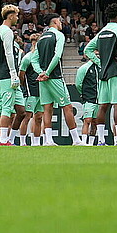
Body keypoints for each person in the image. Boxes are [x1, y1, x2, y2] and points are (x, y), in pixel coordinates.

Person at [83, 4, 117, 147]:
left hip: (103, 72)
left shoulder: (102, 32)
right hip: (116, 72)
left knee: (102, 107)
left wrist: (100, 63)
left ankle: (101, 140)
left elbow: (88, 49)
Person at [31, 13, 82, 146]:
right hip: (55, 77)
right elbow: (57, 55)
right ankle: (76, 140)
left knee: (47, 108)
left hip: (43, 79)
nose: (61, 23)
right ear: (54, 22)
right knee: (68, 107)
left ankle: (48, 140)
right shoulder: (59, 35)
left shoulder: (41, 38)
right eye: (59, 21)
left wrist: (40, 72)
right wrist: (47, 72)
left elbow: (33, 59)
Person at [0, 4, 22, 146]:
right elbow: (8, 53)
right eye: (16, 15)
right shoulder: (7, 31)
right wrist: (13, 73)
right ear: (10, 16)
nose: (18, 18)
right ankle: (3, 139)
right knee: (6, 108)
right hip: (6, 74)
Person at [75, 56, 100, 145]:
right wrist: (85, 93)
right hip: (89, 99)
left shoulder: (101, 67)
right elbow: (78, 84)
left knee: (95, 122)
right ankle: (84, 142)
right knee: (87, 120)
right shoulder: (84, 68)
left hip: (99, 100)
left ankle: (91, 143)